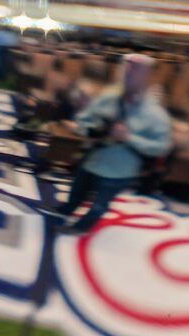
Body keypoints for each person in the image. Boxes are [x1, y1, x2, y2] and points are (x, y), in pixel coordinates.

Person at [53, 54, 173, 235]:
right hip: (94, 159)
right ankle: (67, 209)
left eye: (136, 71)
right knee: (77, 192)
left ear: (148, 77)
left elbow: (161, 147)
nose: (129, 73)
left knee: (99, 206)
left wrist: (129, 138)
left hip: (120, 171)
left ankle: (80, 228)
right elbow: (84, 120)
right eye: (127, 69)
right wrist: (91, 128)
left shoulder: (155, 115)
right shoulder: (109, 97)